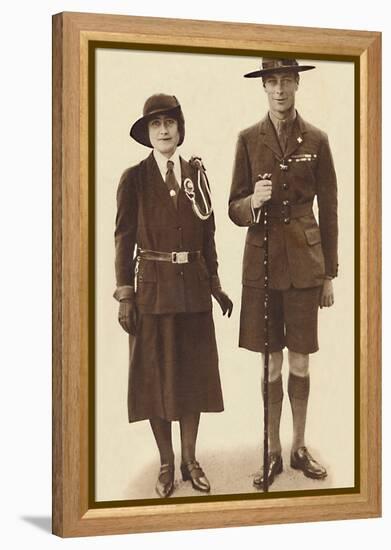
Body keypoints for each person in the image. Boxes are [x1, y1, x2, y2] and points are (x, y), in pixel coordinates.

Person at [114, 93, 233, 498]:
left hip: (193, 292)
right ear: (148, 134)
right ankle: (166, 464)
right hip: (152, 294)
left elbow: (209, 235)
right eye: (155, 124)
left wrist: (215, 285)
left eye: (170, 123)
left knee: (192, 378)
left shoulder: (196, 176)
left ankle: (189, 459)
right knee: (155, 380)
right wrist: (125, 295)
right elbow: (123, 239)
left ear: (180, 129)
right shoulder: (134, 178)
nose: (164, 130)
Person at [228, 58, 338, 489]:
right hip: (263, 265)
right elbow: (234, 209)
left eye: (286, 81)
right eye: (271, 81)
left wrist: (329, 273)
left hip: (306, 267)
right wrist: (252, 200)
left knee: (300, 358)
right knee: (269, 360)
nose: (279, 90)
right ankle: (271, 451)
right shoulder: (247, 139)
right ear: (264, 87)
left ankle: (298, 446)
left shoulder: (317, 139)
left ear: (297, 84)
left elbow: (328, 209)